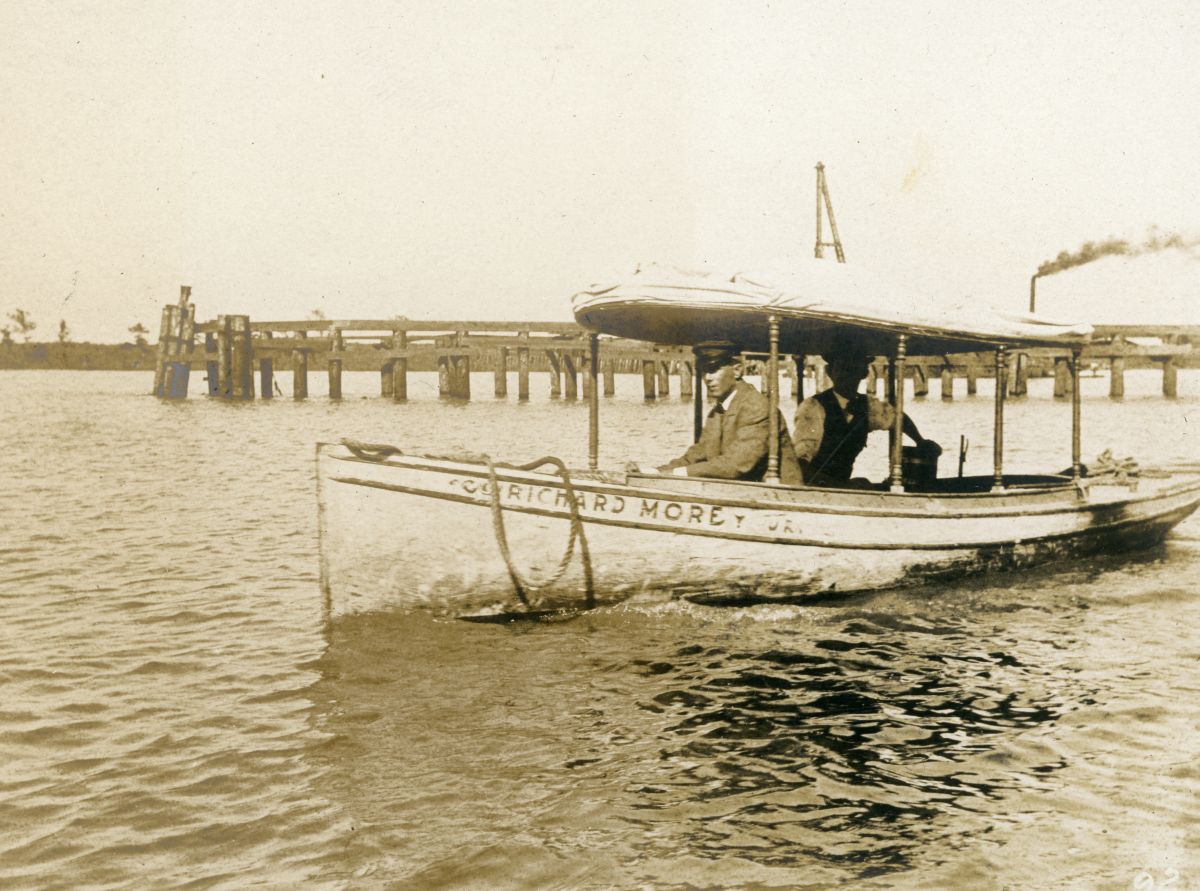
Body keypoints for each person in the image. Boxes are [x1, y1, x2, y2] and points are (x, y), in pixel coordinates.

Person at [636, 342, 802, 484]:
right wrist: (653, 472)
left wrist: (676, 474)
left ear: (737, 371)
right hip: (743, 495)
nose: (707, 378)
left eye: (714, 369)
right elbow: (695, 457)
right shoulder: (718, 412)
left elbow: (735, 464)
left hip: (782, 501)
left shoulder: (757, 407)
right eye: (704, 371)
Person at [793, 348, 940, 487]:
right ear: (830, 372)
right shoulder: (813, 407)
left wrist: (920, 441)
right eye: (842, 368)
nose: (848, 375)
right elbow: (800, 463)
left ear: (863, 373)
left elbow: (898, 418)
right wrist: (843, 487)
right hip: (812, 487)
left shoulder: (867, 405)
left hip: (841, 487)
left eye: (854, 369)